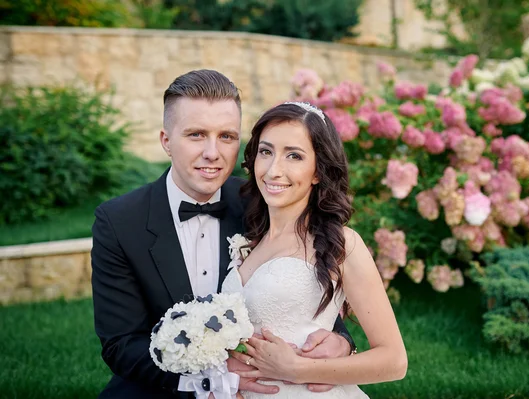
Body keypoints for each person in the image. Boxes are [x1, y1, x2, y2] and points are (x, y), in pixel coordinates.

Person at [91, 70, 355, 399]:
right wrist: (210, 381)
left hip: (270, 384)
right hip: (161, 388)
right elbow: (121, 343)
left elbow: (306, 278)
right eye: (196, 135)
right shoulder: (119, 221)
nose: (213, 152)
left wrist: (340, 340)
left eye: (227, 136)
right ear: (166, 141)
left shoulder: (263, 201)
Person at [225, 102, 408, 398]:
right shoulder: (249, 244)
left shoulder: (343, 244)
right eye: (266, 151)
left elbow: (394, 361)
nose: (274, 170)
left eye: (294, 156)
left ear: (317, 172)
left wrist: (296, 369)